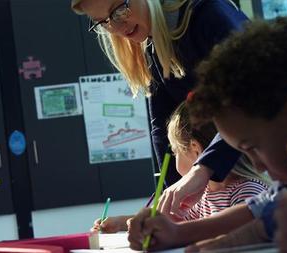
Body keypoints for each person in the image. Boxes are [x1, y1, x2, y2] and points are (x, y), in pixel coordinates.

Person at [127, 15, 287, 252]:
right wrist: (177, 233)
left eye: (252, 147)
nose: (257, 166)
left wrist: (220, 243)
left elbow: (268, 219)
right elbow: (267, 208)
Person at [71, 0, 247, 219]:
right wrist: (169, 206)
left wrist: (203, 169)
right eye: (103, 23)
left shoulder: (209, 16)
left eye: (119, 10)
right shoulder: (156, 48)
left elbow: (247, 97)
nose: (115, 28)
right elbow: (162, 130)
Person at [91, 102, 270, 232]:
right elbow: (176, 224)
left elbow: (244, 236)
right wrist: (123, 223)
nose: (174, 157)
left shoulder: (248, 191)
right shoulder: (203, 196)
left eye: (176, 151)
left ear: (195, 149)